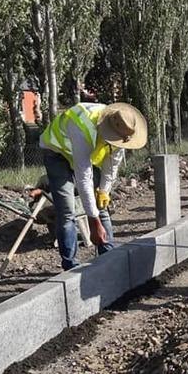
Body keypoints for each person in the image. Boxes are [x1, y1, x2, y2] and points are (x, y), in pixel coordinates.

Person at [40, 102, 148, 270]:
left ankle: (109, 259)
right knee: (67, 211)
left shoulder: (121, 130)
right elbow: (84, 177)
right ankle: (71, 266)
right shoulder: (83, 128)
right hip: (57, 154)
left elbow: (111, 167)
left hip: (82, 157)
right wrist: (93, 221)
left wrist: (104, 191)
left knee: (100, 205)